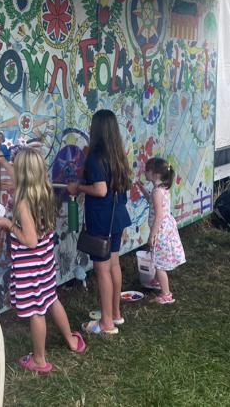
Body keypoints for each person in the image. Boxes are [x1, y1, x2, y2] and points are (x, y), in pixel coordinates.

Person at [0, 148, 86, 373]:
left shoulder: (23, 202)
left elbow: (30, 240)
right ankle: (72, 342)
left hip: (30, 264)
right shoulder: (43, 190)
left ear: (23, 174)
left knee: (37, 311)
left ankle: (39, 360)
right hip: (44, 262)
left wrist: (8, 225)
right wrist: (4, 164)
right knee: (51, 299)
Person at [67, 109, 132, 334]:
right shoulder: (117, 154)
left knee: (101, 269)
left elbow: (100, 189)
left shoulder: (96, 156)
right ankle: (115, 313)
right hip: (117, 217)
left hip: (102, 219)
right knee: (113, 264)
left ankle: (106, 323)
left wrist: (78, 188)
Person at [137, 157, 186, 304]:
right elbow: (152, 202)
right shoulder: (160, 189)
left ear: (155, 173)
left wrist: (152, 235)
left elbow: (158, 214)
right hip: (165, 229)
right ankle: (158, 282)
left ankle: (166, 294)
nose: (145, 172)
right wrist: (142, 189)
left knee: (159, 264)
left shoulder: (157, 192)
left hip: (161, 231)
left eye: (147, 170)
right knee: (157, 258)